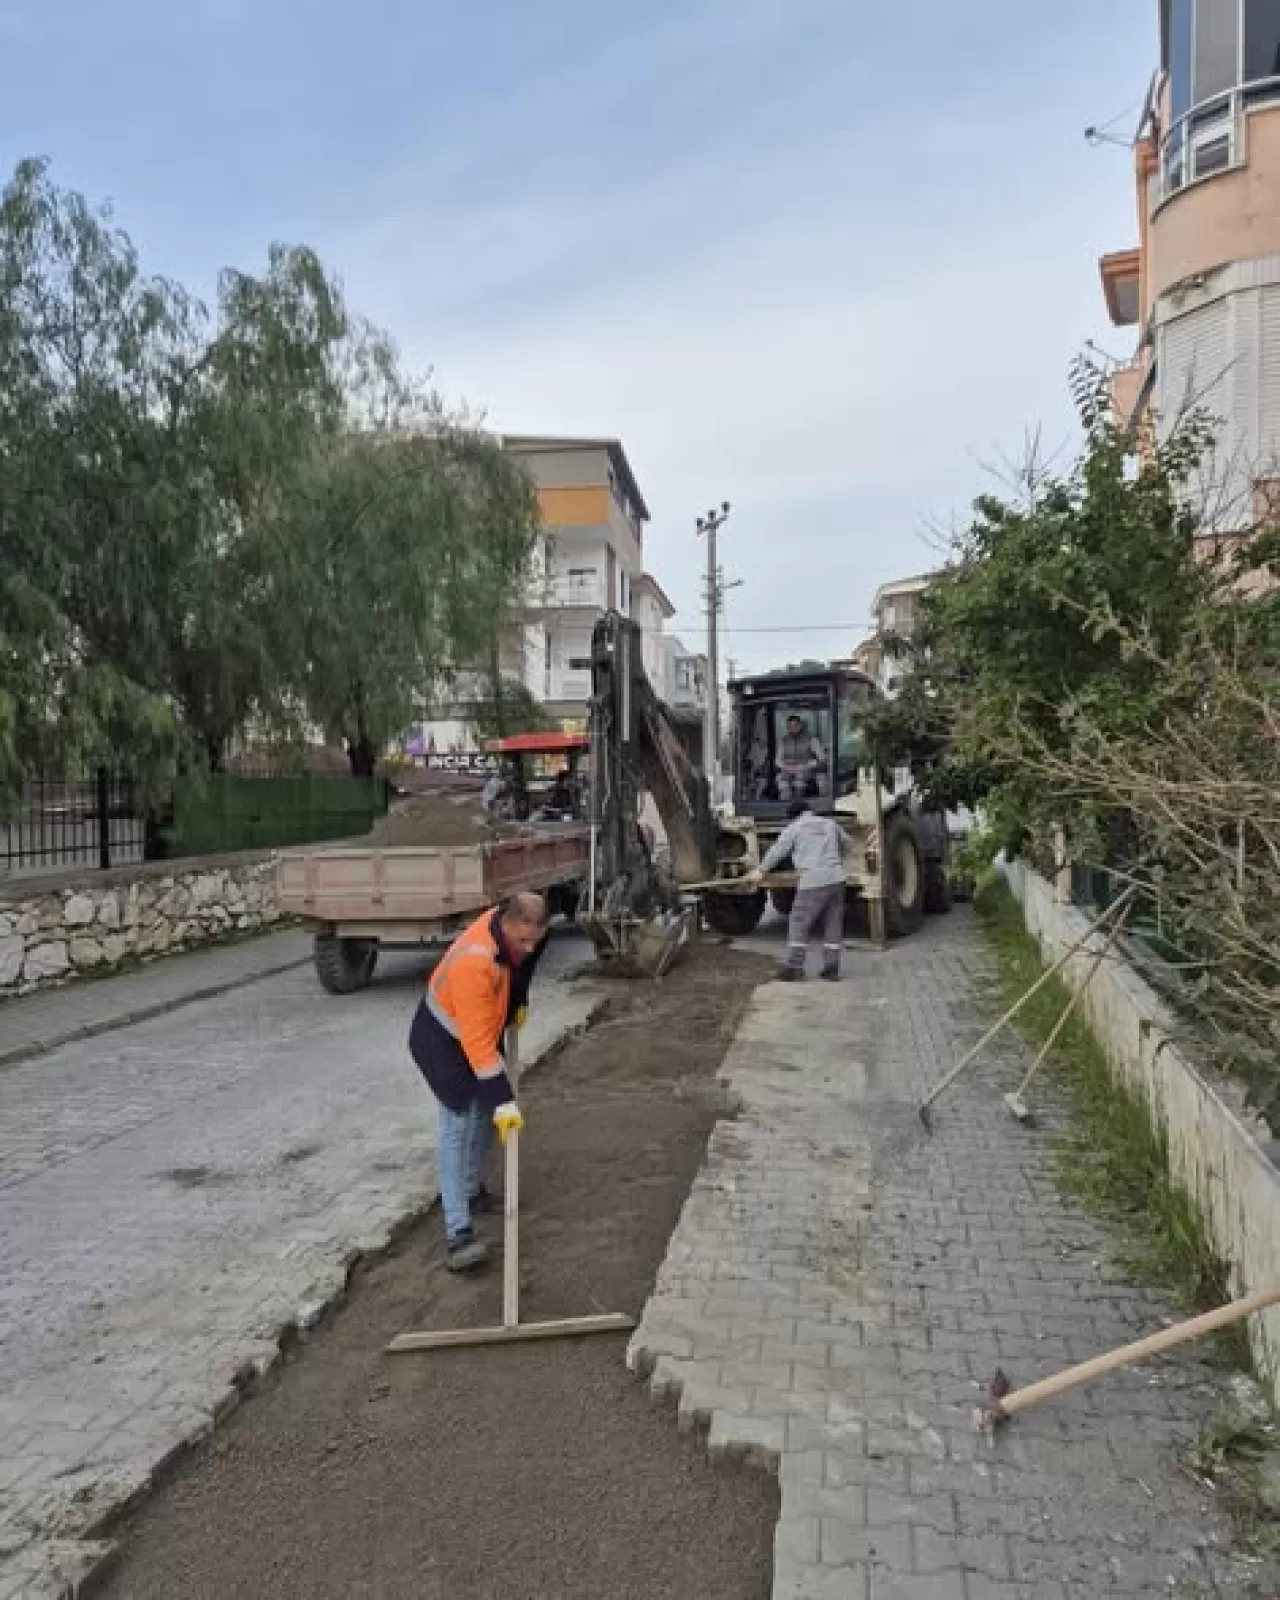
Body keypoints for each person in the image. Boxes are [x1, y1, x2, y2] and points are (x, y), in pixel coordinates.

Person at [408, 892, 550, 1271]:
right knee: (459, 1122)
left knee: (487, 1112)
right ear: (506, 924)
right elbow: (476, 1046)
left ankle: (471, 1193)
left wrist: (517, 1000)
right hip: (441, 1040)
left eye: (536, 939)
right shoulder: (475, 961)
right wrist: (505, 1100)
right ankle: (458, 1233)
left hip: (479, 1030)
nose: (530, 947)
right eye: (524, 940)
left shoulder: (521, 935)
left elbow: (523, 968)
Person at [748, 799, 850, 981]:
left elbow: (777, 851)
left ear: (792, 817)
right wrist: (834, 860)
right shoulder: (830, 824)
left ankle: (793, 967)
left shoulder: (794, 828)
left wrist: (760, 871)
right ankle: (832, 968)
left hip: (812, 881)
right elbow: (847, 844)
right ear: (809, 811)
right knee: (833, 923)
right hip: (836, 879)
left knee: (799, 923)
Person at [777, 715, 825, 801]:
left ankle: (798, 805)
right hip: (787, 770)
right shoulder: (783, 740)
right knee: (782, 783)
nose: (792, 729)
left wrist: (806, 765)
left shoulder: (811, 739)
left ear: (800, 726)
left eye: (795, 726)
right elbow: (778, 760)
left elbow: (821, 758)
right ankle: (784, 807)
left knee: (799, 783)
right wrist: (785, 767)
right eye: (789, 727)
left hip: (805, 770)